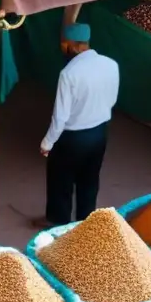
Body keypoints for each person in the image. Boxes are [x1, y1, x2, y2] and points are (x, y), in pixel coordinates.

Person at [38, 23, 119, 226]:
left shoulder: (69, 73)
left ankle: (58, 224)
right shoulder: (111, 64)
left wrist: (47, 143)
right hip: (100, 134)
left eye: (64, 44)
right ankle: (85, 225)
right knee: (90, 181)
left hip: (71, 139)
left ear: (71, 45)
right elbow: (112, 100)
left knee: (60, 182)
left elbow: (60, 116)